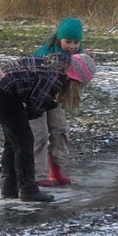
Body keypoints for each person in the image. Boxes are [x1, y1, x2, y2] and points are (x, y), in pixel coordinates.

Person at [0, 51, 95, 203]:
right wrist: (46, 106)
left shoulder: (54, 66)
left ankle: (10, 187)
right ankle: (28, 189)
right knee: (24, 143)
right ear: (76, 78)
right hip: (4, 93)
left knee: (13, 142)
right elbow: (36, 105)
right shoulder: (55, 77)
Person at [31, 17, 86, 186]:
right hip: (35, 97)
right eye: (68, 41)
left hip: (56, 98)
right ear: (59, 39)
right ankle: (39, 174)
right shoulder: (44, 54)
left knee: (60, 130)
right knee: (39, 134)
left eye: (76, 42)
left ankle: (57, 169)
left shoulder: (78, 58)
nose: (72, 46)